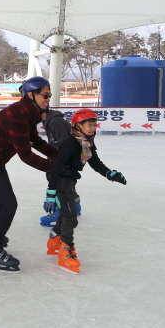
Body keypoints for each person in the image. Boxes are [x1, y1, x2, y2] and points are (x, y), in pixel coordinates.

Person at [0, 76, 57, 272]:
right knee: (8, 204)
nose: (48, 99)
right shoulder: (18, 115)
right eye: (45, 95)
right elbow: (26, 155)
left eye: (50, 95)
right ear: (30, 94)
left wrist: (58, 156)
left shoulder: (26, 112)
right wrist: (53, 167)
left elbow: (36, 141)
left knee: (1, 198)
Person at [45, 108, 127, 274]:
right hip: (59, 179)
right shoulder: (70, 143)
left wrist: (110, 174)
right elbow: (55, 167)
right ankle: (65, 250)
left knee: (67, 211)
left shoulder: (86, 141)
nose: (92, 128)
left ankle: (54, 240)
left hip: (70, 179)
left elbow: (94, 162)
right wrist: (51, 192)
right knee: (71, 216)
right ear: (78, 125)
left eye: (94, 125)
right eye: (89, 125)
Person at [39, 108, 77, 226]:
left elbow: (66, 145)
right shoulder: (50, 121)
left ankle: (59, 211)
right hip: (58, 157)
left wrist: (60, 165)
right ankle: (75, 204)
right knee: (64, 184)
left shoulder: (55, 122)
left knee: (60, 183)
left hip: (63, 161)